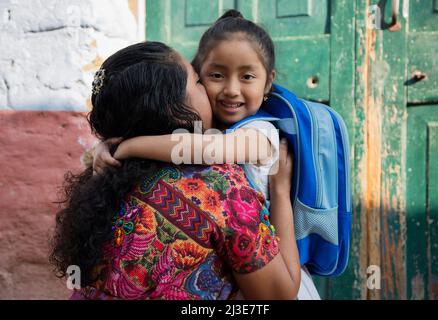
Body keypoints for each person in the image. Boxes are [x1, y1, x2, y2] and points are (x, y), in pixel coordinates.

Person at [93, 10, 320, 300]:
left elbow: (205, 149)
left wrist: (128, 145)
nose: (231, 90)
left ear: (267, 83)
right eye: (212, 77)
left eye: (247, 76)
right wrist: (103, 147)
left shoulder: (260, 133)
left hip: (278, 268)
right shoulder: (209, 136)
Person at [49, 41, 300, 300]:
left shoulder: (104, 173)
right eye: (198, 82)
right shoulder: (220, 190)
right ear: (176, 112)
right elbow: (279, 295)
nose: (216, 91)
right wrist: (281, 191)